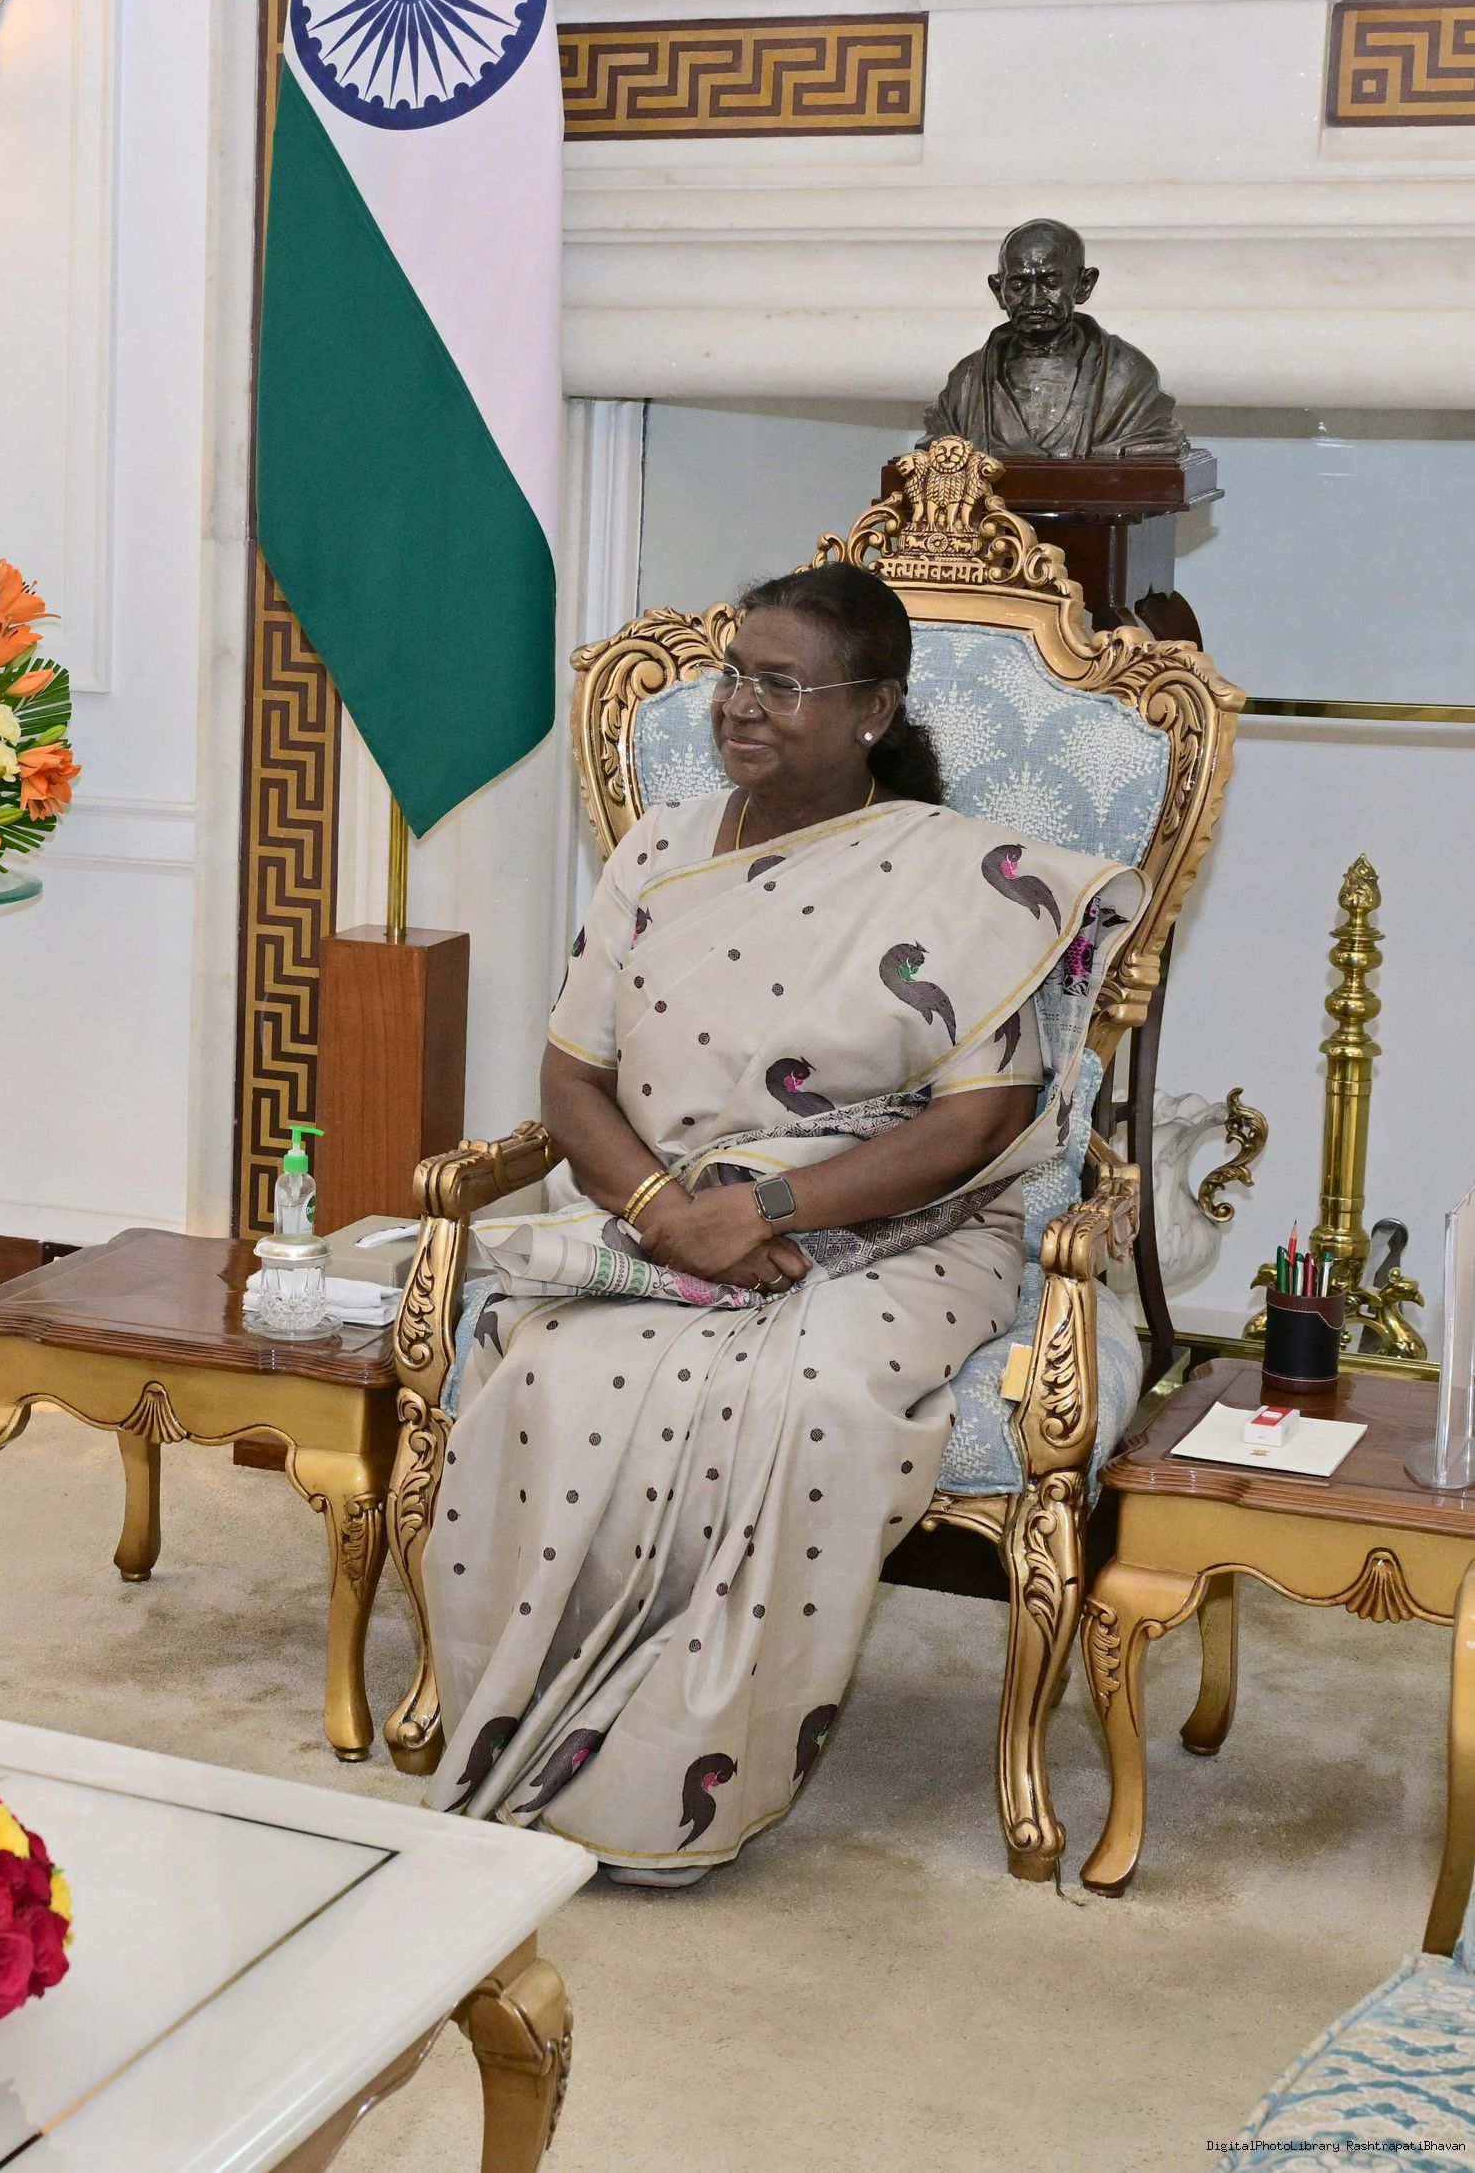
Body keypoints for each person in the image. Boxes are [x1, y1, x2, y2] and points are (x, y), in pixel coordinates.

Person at [422, 560, 1139, 1884]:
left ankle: (666, 1777)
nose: (741, 706)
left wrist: (762, 1206)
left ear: (874, 709)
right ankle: (528, 1728)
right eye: (734, 676)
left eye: (783, 684)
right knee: (555, 1373)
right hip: (665, 1213)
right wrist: (663, 1208)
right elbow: (571, 1078)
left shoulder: (958, 878)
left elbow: (979, 1119)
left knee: (817, 1398)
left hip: (911, 1227)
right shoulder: (657, 852)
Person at [919, 218, 1184, 459]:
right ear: (998, 290)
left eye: (1050, 283)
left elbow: (1151, 450)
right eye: (1018, 285)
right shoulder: (967, 381)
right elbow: (935, 454)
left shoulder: (1127, 376)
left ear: (1084, 285)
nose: (1034, 300)